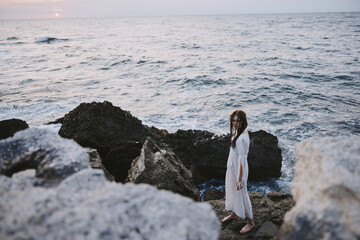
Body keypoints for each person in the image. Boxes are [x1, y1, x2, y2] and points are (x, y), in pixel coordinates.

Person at [221, 110, 255, 234]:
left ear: (243, 121)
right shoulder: (239, 133)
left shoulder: (242, 138)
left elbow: (242, 159)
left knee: (242, 194)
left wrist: (239, 178)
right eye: (233, 121)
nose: (235, 123)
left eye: (238, 121)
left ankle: (250, 222)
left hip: (239, 171)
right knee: (234, 191)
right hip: (234, 168)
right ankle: (234, 214)